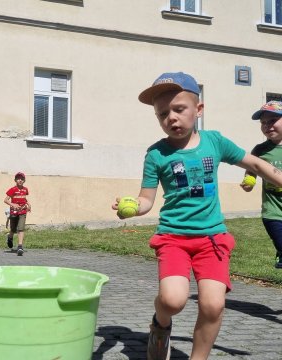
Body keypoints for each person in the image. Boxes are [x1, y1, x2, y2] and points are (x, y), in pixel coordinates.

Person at [112, 72, 282, 360]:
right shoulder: (156, 154)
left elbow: (253, 161)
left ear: (198, 110)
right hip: (173, 238)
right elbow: (146, 199)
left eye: (179, 109)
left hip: (212, 239)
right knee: (172, 300)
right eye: (163, 114)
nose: (171, 118)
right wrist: (132, 208)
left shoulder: (214, 142)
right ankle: (160, 322)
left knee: (213, 306)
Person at [240, 101, 282, 269]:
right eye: (263, 123)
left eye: (272, 120)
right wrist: (249, 182)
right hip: (273, 212)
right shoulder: (260, 150)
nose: (267, 126)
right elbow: (252, 170)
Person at [4, 172, 31, 256]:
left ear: (24, 181)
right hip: (14, 212)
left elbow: (24, 198)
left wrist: (28, 204)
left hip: (23, 211)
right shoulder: (12, 189)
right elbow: (6, 200)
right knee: (13, 229)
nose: (20, 180)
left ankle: (20, 246)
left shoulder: (25, 189)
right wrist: (13, 205)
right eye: (18, 179)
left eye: (22, 179)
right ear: (15, 180)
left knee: (21, 228)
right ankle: (10, 237)